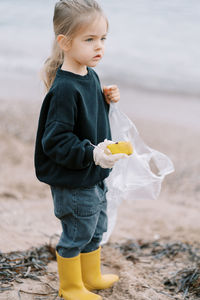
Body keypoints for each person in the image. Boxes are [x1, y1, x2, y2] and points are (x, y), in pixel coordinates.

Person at [34, 1, 127, 299]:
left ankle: (91, 275)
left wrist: (104, 97)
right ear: (65, 42)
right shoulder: (63, 88)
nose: (99, 46)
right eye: (89, 39)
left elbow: (85, 116)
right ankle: (71, 286)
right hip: (73, 179)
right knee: (77, 232)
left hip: (92, 173)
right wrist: (92, 154)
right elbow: (56, 140)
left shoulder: (89, 74)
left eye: (103, 39)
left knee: (97, 225)